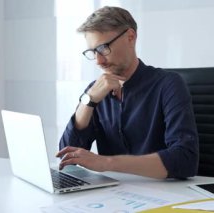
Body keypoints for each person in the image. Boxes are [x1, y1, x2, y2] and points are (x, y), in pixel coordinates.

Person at [57, 6, 198, 179]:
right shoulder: (96, 90)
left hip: (162, 194)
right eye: (93, 52)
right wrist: (89, 101)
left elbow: (185, 160)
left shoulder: (168, 84)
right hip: (113, 197)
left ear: (130, 37)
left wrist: (105, 163)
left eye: (103, 48)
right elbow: (66, 156)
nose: (98, 61)